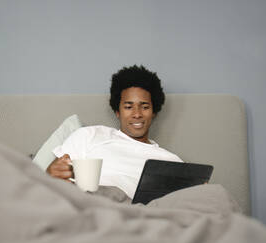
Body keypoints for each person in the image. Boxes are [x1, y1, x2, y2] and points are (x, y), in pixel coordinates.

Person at [46, 65, 183, 199]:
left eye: (145, 107)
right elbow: (50, 181)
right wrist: (51, 173)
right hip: (91, 204)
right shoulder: (89, 136)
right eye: (128, 107)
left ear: (154, 112)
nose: (137, 114)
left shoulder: (171, 162)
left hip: (140, 214)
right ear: (117, 111)